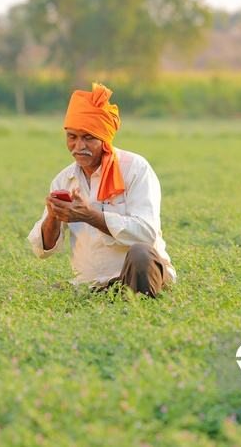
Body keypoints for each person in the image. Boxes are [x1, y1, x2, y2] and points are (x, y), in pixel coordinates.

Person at [27, 82, 176, 298]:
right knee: (48, 296)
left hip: (139, 277)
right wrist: (53, 216)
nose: (78, 146)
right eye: (72, 137)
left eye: (88, 137)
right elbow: (43, 250)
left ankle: (141, 310)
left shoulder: (135, 168)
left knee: (141, 253)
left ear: (104, 139)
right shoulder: (63, 180)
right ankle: (108, 300)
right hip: (93, 285)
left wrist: (90, 216)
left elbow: (147, 234)